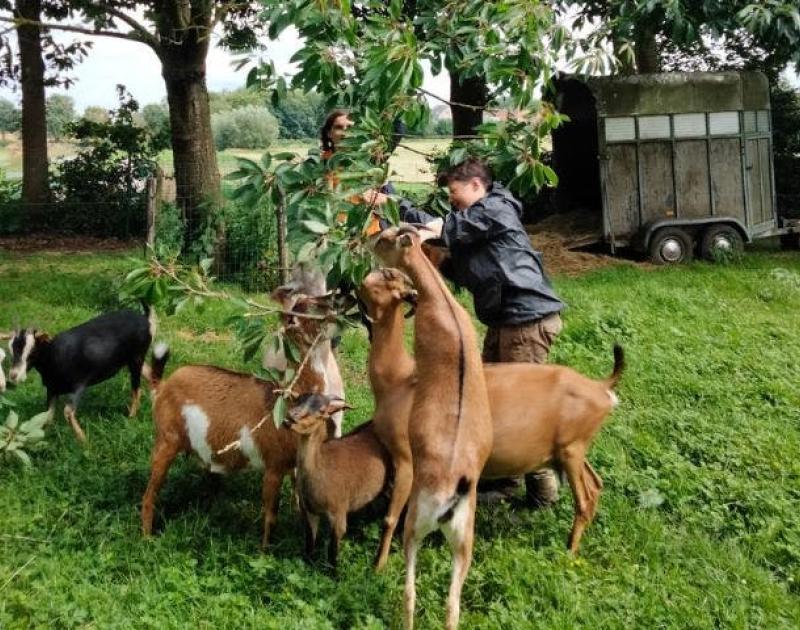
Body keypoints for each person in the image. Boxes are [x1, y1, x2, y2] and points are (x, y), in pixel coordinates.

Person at [372, 157, 565, 506]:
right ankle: (505, 481)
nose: (453, 200)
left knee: (517, 407)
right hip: (506, 319)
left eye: (456, 194)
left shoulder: (495, 210)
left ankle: (543, 486)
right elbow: (445, 228)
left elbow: (449, 228)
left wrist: (426, 233)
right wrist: (391, 202)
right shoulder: (475, 220)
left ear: (477, 185)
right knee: (488, 400)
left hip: (526, 320)